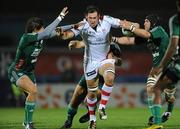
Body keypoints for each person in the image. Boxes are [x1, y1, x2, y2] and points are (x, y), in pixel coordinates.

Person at [60, 5, 122, 129]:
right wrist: (74, 42)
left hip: (103, 74)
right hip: (91, 66)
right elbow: (81, 43)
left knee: (90, 97)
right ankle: (69, 120)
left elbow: (119, 61)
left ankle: (92, 114)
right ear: (87, 18)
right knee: (77, 96)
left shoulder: (113, 45)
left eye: (95, 18)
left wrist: (113, 59)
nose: (93, 20)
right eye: (90, 18)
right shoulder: (87, 31)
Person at [113, 13, 179, 129]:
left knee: (169, 96)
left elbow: (146, 34)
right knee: (151, 89)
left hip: (169, 66)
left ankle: (167, 113)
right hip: (157, 68)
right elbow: (129, 40)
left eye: (147, 21)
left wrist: (131, 27)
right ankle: (156, 120)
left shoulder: (158, 30)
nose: (144, 23)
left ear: (152, 23)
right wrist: (113, 39)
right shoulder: (147, 36)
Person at [7, 7, 69, 129]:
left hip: (29, 73)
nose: (44, 29)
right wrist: (60, 16)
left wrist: (76, 25)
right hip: (17, 71)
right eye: (42, 27)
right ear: (36, 29)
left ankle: (27, 122)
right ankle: (28, 124)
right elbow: (46, 33)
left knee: (32, 96)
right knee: (33, 91)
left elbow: (57, 30)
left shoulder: (41, 38)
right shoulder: (26, 38)